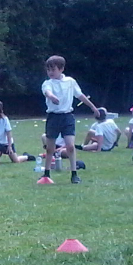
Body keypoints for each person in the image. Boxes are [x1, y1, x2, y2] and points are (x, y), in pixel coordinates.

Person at [39, 54, 99, 184]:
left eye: (53, 69)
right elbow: (47, 92)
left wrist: (93, 108)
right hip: (53, 117)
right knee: (50, 148)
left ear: (61, 69)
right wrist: (52, 97)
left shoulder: (70, 82)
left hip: (67, 117)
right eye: (48, 69)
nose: (50, 72)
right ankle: (46, 174)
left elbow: (80, 95)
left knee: (70, 146)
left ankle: (74, 174)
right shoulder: (47, 83)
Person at [0, 100, 25, 164]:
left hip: (6, 143)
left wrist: (9, 146)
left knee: (16, 161)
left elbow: (9, 133)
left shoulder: (4, 119)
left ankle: (26, 156)